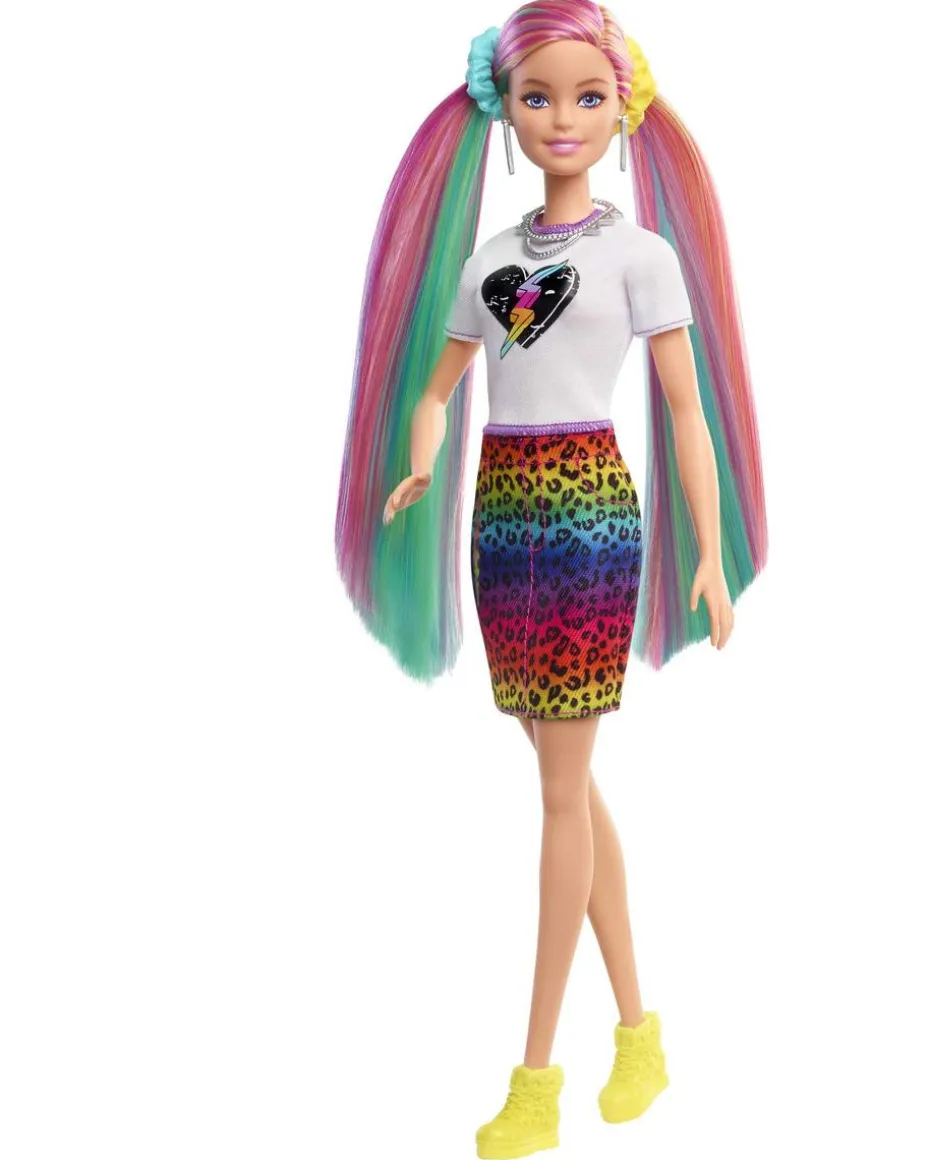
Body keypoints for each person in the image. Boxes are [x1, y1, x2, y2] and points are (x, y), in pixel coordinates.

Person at [335, 3, 767, 1155]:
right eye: (537, 97)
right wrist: (419, 460)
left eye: (584, 96)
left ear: (621, 105)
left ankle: (536, 1076)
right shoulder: (490, 261)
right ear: (504, 108)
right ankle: (639, 1032)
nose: (560, 118)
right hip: (500, 511)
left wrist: (709, 550)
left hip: (583, 514)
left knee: (559, 792)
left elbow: (686, 411)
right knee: (562, 774)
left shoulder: (639, 256)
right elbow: (437, 389)